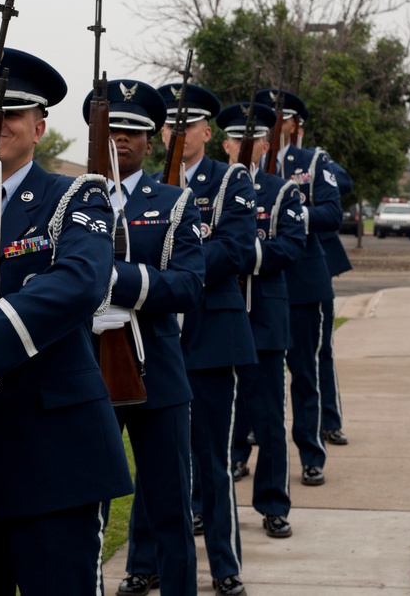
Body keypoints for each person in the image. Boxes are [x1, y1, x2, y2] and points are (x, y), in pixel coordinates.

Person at [0, 47, 132, 596]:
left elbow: (78, 283)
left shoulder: (75, 197)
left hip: (58, 457)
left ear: (39, 127)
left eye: (10, 115)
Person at [85, 80, 205, 596]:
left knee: (170, 509)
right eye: (110, 130)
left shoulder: (175, 202)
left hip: (156, 376)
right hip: (86, 376)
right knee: (84, 512)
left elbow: (188, 284)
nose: (121, 139)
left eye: (133, 131)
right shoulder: (72, 202)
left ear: (151, 142)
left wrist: (119, 280)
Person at [149, 82, 257, 596]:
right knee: (157, 462)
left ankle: (224, 563)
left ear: (206, 132)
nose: (177, 133)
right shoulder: (148, 187)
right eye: (169, 125)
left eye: (187, 125)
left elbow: (235, 248)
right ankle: (143, 563)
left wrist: (178, 262)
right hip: (155, 338)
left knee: (212, 459)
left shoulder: (230, 179)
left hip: (212, 334)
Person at [218, 102, 306, 539]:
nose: (244, 146)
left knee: (269, 417)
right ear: (226, 143)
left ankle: (273, 504)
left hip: (264, 318)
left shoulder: (282, 191)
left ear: (266, 146)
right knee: (208, 416)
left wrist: (237, 254)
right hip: (214, 318)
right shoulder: (207, 189)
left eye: (254, 140)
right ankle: (202, 504)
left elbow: (291, 247)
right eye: (237, 139)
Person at [255, 88, 343, 487]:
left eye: (279, 118)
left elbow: (331, 212)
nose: (273, 127)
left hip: (303, 281)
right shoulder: (243, 168)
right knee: (252, 376)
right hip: (258, 285)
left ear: (291, 124)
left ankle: (311, 453)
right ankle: (240, 451)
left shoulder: (311, 162)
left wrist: (288, 212)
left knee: (305, 373)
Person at [318, 160, 354, 446]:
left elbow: (343, 182)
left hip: (313, 265)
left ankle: (330, 421)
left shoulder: (315, 160)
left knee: (321, 352)